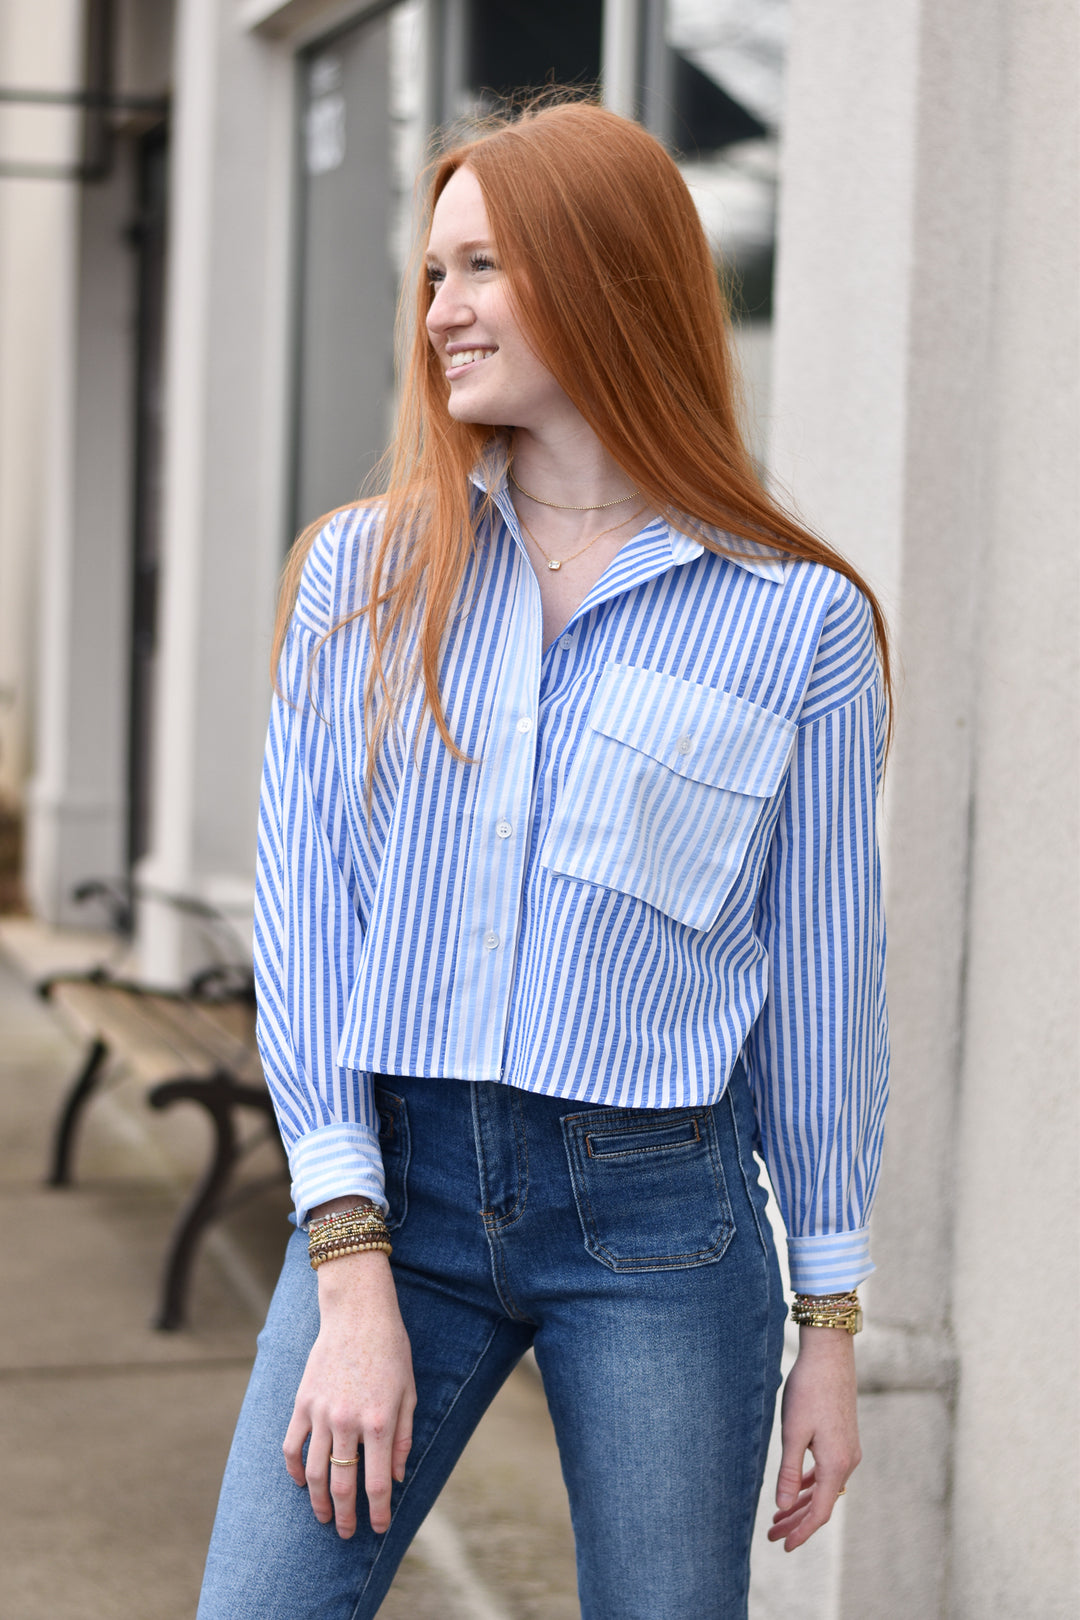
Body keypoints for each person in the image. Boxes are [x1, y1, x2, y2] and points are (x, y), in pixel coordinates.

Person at [197, 98, 889, 1620]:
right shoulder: (363, 578)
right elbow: (308, 935)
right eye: (430, 275)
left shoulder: (800, 627)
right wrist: (352, 1271)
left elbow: (825, 998)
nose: (438, 312)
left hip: (662, 1215)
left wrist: (828, 1327)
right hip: (394, 1184)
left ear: (605, 275)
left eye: (481, 269)